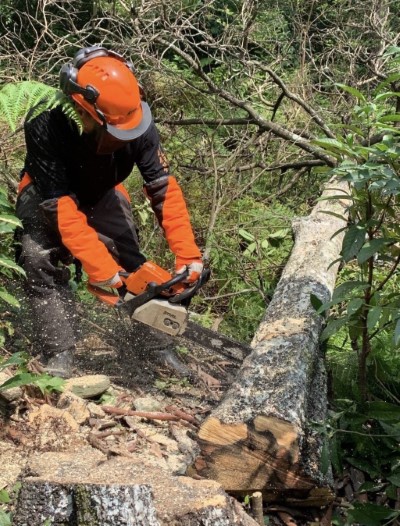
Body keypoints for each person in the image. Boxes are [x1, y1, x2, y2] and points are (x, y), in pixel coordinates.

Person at [15, 46, 203, 378]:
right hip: (48, 194)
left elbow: (163, 188)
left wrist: (187, 254)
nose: (121, 138)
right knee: (37, 257)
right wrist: (100, 268)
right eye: (114, 132)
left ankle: (154, 347)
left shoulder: (137, 120)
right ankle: (59, 351)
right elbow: (58, 205)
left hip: (103, 192)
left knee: (132, 263)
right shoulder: (45, 121)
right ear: (82, 109)